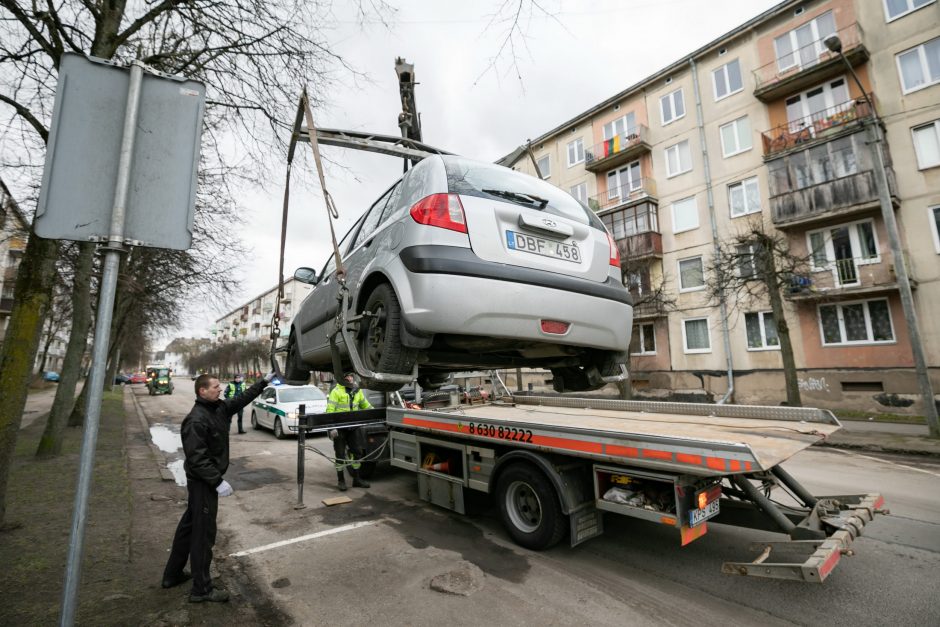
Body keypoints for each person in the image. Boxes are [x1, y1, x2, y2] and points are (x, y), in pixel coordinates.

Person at [161, 371, 272, 603]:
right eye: (215, 387)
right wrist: (217, 481)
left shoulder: (217, 408)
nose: (220, 389)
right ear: (202, 391)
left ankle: (172, 575)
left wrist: (263, 382)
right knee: (203, 535)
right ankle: (201, 590)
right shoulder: (196, 419)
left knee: (188, 528)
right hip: (202, 484)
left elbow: (240, 400)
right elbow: (197, 458)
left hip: (204, 482)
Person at [326, 372, 373, 492]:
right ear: (342, 379)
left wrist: (376, 414)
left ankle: (356, 480)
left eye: (351, 376)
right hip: (340, 429)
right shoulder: (336, 391)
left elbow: (366, 406)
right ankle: (341, 481)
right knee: (340, 455)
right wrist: (331, 428)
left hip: (353, 428)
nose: (349, 378)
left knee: (357, 453)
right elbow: (330, 411)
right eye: (346, 376)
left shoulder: (358, 391)